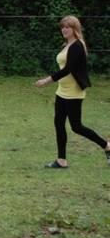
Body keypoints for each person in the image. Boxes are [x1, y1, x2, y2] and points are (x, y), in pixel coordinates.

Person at [35, 15, 110, 168]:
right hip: (62, 90)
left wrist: (47, 80)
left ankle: (107, 146)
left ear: (75, 29)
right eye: (62, 27)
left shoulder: (77, 46)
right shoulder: (67, 45)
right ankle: (61, 160)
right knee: (59, 123)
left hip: (74, 92)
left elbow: (68, 69)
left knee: (77, 126)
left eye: (67, 27)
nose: (64, 29)